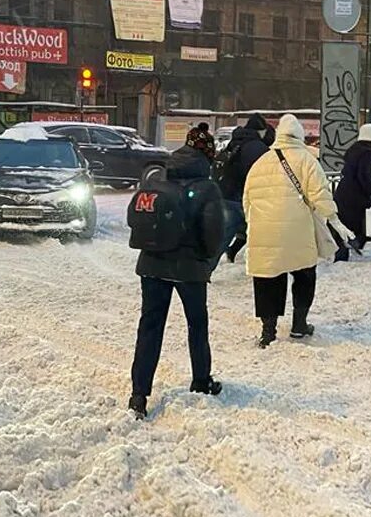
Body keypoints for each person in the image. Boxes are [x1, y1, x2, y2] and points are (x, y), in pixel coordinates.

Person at [128, 127, 227, 419]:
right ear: (208, 154)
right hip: (189, 268)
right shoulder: (207, 186)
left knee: (150, 327)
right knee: (197, 325)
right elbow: (214, 233)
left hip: (152, 264)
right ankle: (201, 379)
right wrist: (206, 261)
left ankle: (139, 394)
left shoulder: (159, 175)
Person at [243, 114, 351, 348]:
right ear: (300, 135)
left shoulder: (261, 162)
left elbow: (247, 201)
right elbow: (319, 195)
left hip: (264, 230)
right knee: (304, 274)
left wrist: (254, 224)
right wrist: (334, 220)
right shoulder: (307, 160)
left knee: (268, 279)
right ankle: (299, 324)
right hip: (297, 231)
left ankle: (268, 331)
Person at [217, 114, 273, 262]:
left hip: (226, 193)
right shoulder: (257, 148)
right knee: (257, 229)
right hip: (243, 195)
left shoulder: (235, 142)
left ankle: (227, 254)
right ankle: (203, 269)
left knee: (235, 230)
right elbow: (264, 173)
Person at [333, 124, 371, 262]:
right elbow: (364, 176)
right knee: (363, 223)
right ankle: (355, 243)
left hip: (343, 192)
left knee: (345, 224)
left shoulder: (353, 150)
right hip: (357, 195)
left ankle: (342, 254)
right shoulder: (367, 154)